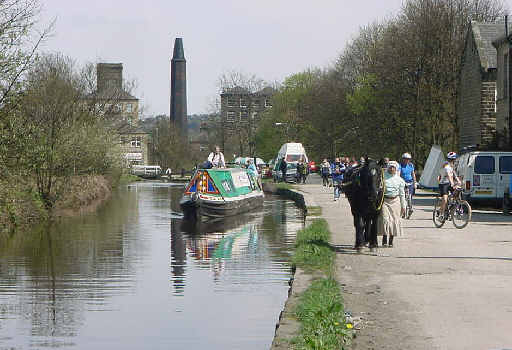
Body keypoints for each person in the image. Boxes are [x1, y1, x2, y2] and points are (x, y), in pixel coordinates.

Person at [380, 161, 406, 247]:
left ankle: (391, 240)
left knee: (394, 221)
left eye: (393, 167)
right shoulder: (383, 177)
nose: (392, 169)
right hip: (385, 201)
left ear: (396, 169)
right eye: (390, 167)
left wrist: (403, 205)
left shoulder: (400, 180)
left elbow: (402, 194)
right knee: (385, 220)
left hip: (395, 201)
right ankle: (384, 238)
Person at [437, 152, 461, 221]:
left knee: (457, 192)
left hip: (449, 183)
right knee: (444, 199)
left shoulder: (452, 166)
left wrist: (459, 181)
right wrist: (453, 184)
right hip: (443, 184)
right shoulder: (446, 166)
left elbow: (454, 174)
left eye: (453, 159)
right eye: (451, 160)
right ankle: (441, 214)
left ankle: (453, 209)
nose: (452, 161)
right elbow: (449, 176)